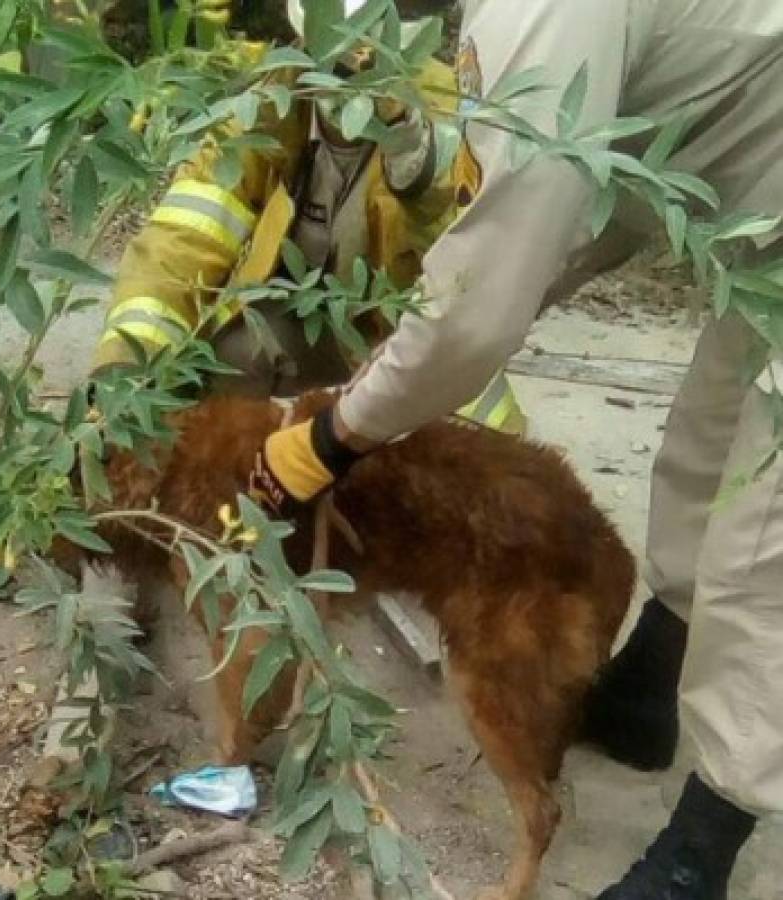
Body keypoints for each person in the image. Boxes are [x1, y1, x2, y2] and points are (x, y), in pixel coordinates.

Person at [251, 1, 783, 897]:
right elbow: (589, 210)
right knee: (708, 440)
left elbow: (489, 292)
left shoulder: (539, 12)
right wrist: (426, 339)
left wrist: (342, 431)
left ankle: (702, 847)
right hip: (762, 210)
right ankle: (646, 689)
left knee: (763, 531)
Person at [91, 0, 527, 435]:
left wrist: (418, 172)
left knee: (446, 458)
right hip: (301, 323)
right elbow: (182, 240)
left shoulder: (445, 105)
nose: (347, 74)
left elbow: (472, 272)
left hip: (395, 334)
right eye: (333, 57)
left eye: (361, 60)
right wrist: (127, 367)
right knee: (223, 357)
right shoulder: (267, 105)